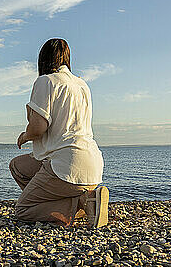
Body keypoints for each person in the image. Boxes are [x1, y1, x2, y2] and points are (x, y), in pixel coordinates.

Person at [9, 38, 108, 228]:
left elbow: (38, 128)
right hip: (92, 164)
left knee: (23, 210)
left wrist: (25, 136)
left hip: (67, 165)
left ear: (43, 59)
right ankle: (84, 199)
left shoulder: (46, 81)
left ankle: (82, 204)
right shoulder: (82, 85)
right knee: (18, 166)